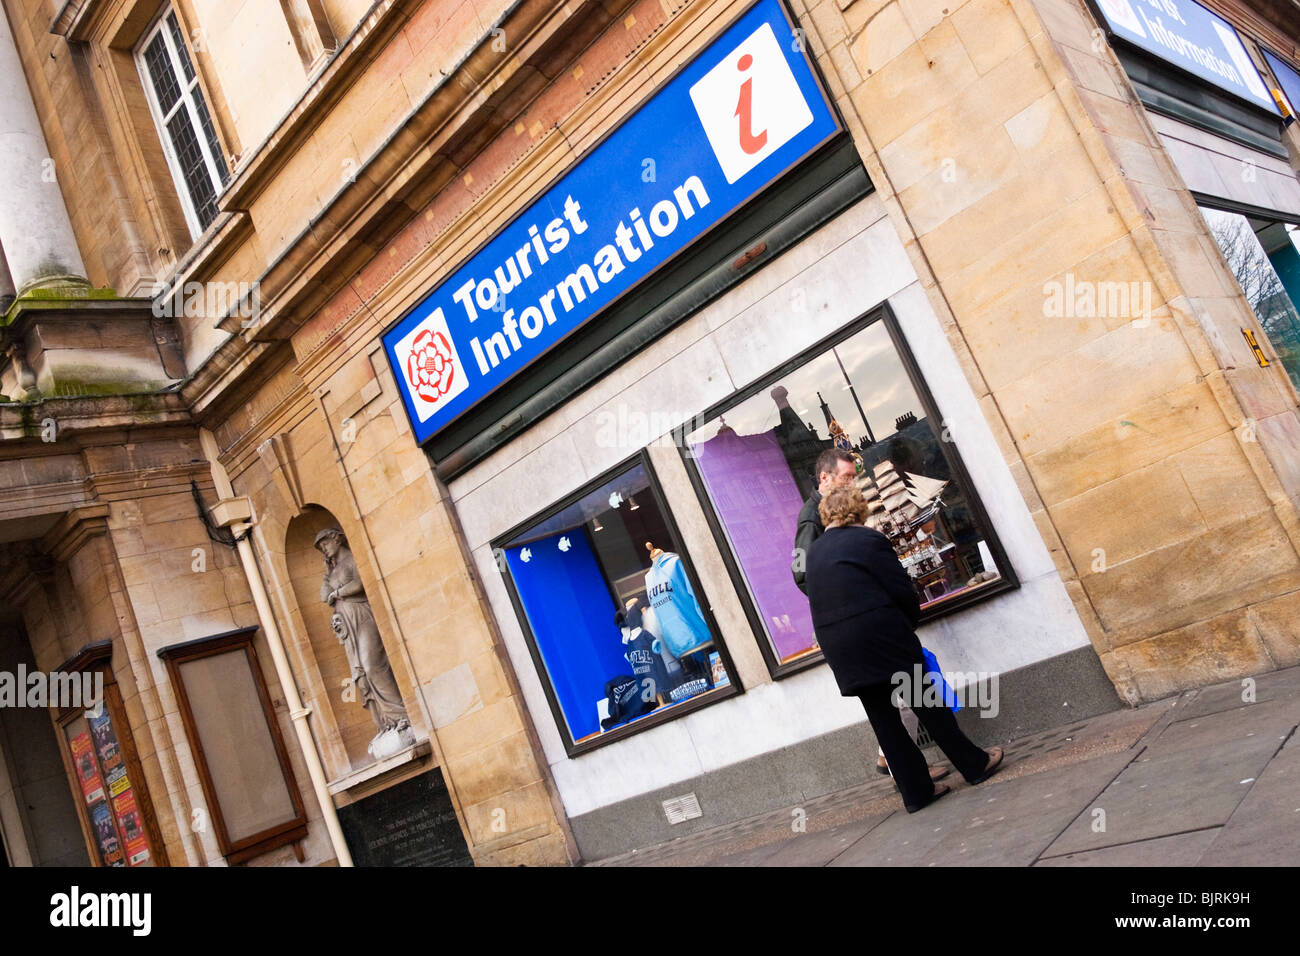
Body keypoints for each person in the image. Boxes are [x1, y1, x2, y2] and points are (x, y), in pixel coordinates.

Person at [805, 486, 1004, 813]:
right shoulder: (869, 541)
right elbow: (902, 591)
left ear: (827, 515)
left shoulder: (813, 553)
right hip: (883, 638)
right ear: (859, 511)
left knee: (884, 721)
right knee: (928, 705)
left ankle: (916, 793)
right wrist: (907, 625)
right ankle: (974, 764)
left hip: (841, 649)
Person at [792, 447, 941, 781]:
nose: (852, 484)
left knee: (896, 699)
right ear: (825, 478)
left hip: (870, 621)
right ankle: (905, 763)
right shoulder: (811, 517)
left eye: (854, 478)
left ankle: (899, 763)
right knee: (903, 696)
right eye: (846, 478)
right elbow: (801, 572)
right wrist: (843, 597)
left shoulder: (838, 509)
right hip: (860, 625)